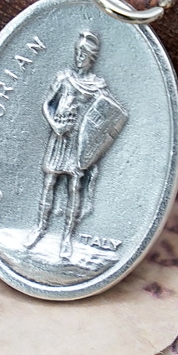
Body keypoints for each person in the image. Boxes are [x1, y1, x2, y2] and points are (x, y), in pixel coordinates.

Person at [24, 30, 126, 259]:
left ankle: (67, 239)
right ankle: (39, 228)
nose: (79, 57)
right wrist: (54, 125)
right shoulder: (64, 78)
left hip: (79, 143)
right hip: (60, 135)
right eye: (77, 52)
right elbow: (47, 105)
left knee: (74, 188)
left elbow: (109, 114)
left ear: (92, 58)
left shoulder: (97, 85)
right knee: (49, 182)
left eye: (84, 54)